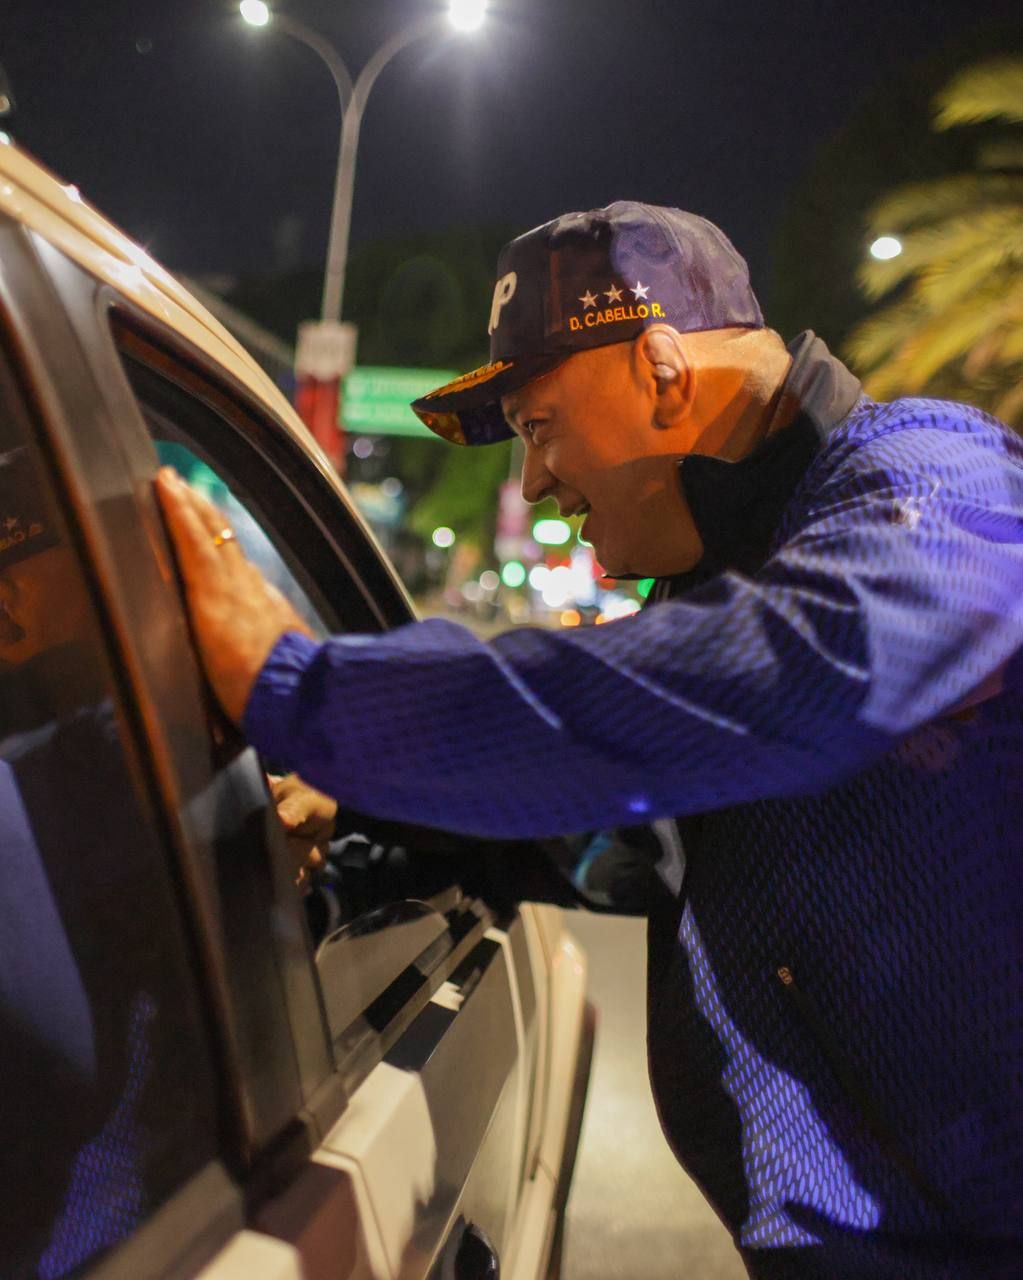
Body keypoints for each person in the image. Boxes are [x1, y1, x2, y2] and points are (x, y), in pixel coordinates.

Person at [156, 201, 1023, 1279]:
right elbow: (636, 840)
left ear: (662, 368)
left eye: (538, 425)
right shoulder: (731, 575)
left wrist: (298, 684)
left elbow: (794, 672)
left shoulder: (941, 482)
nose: (534, 484)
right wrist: (368, 800)